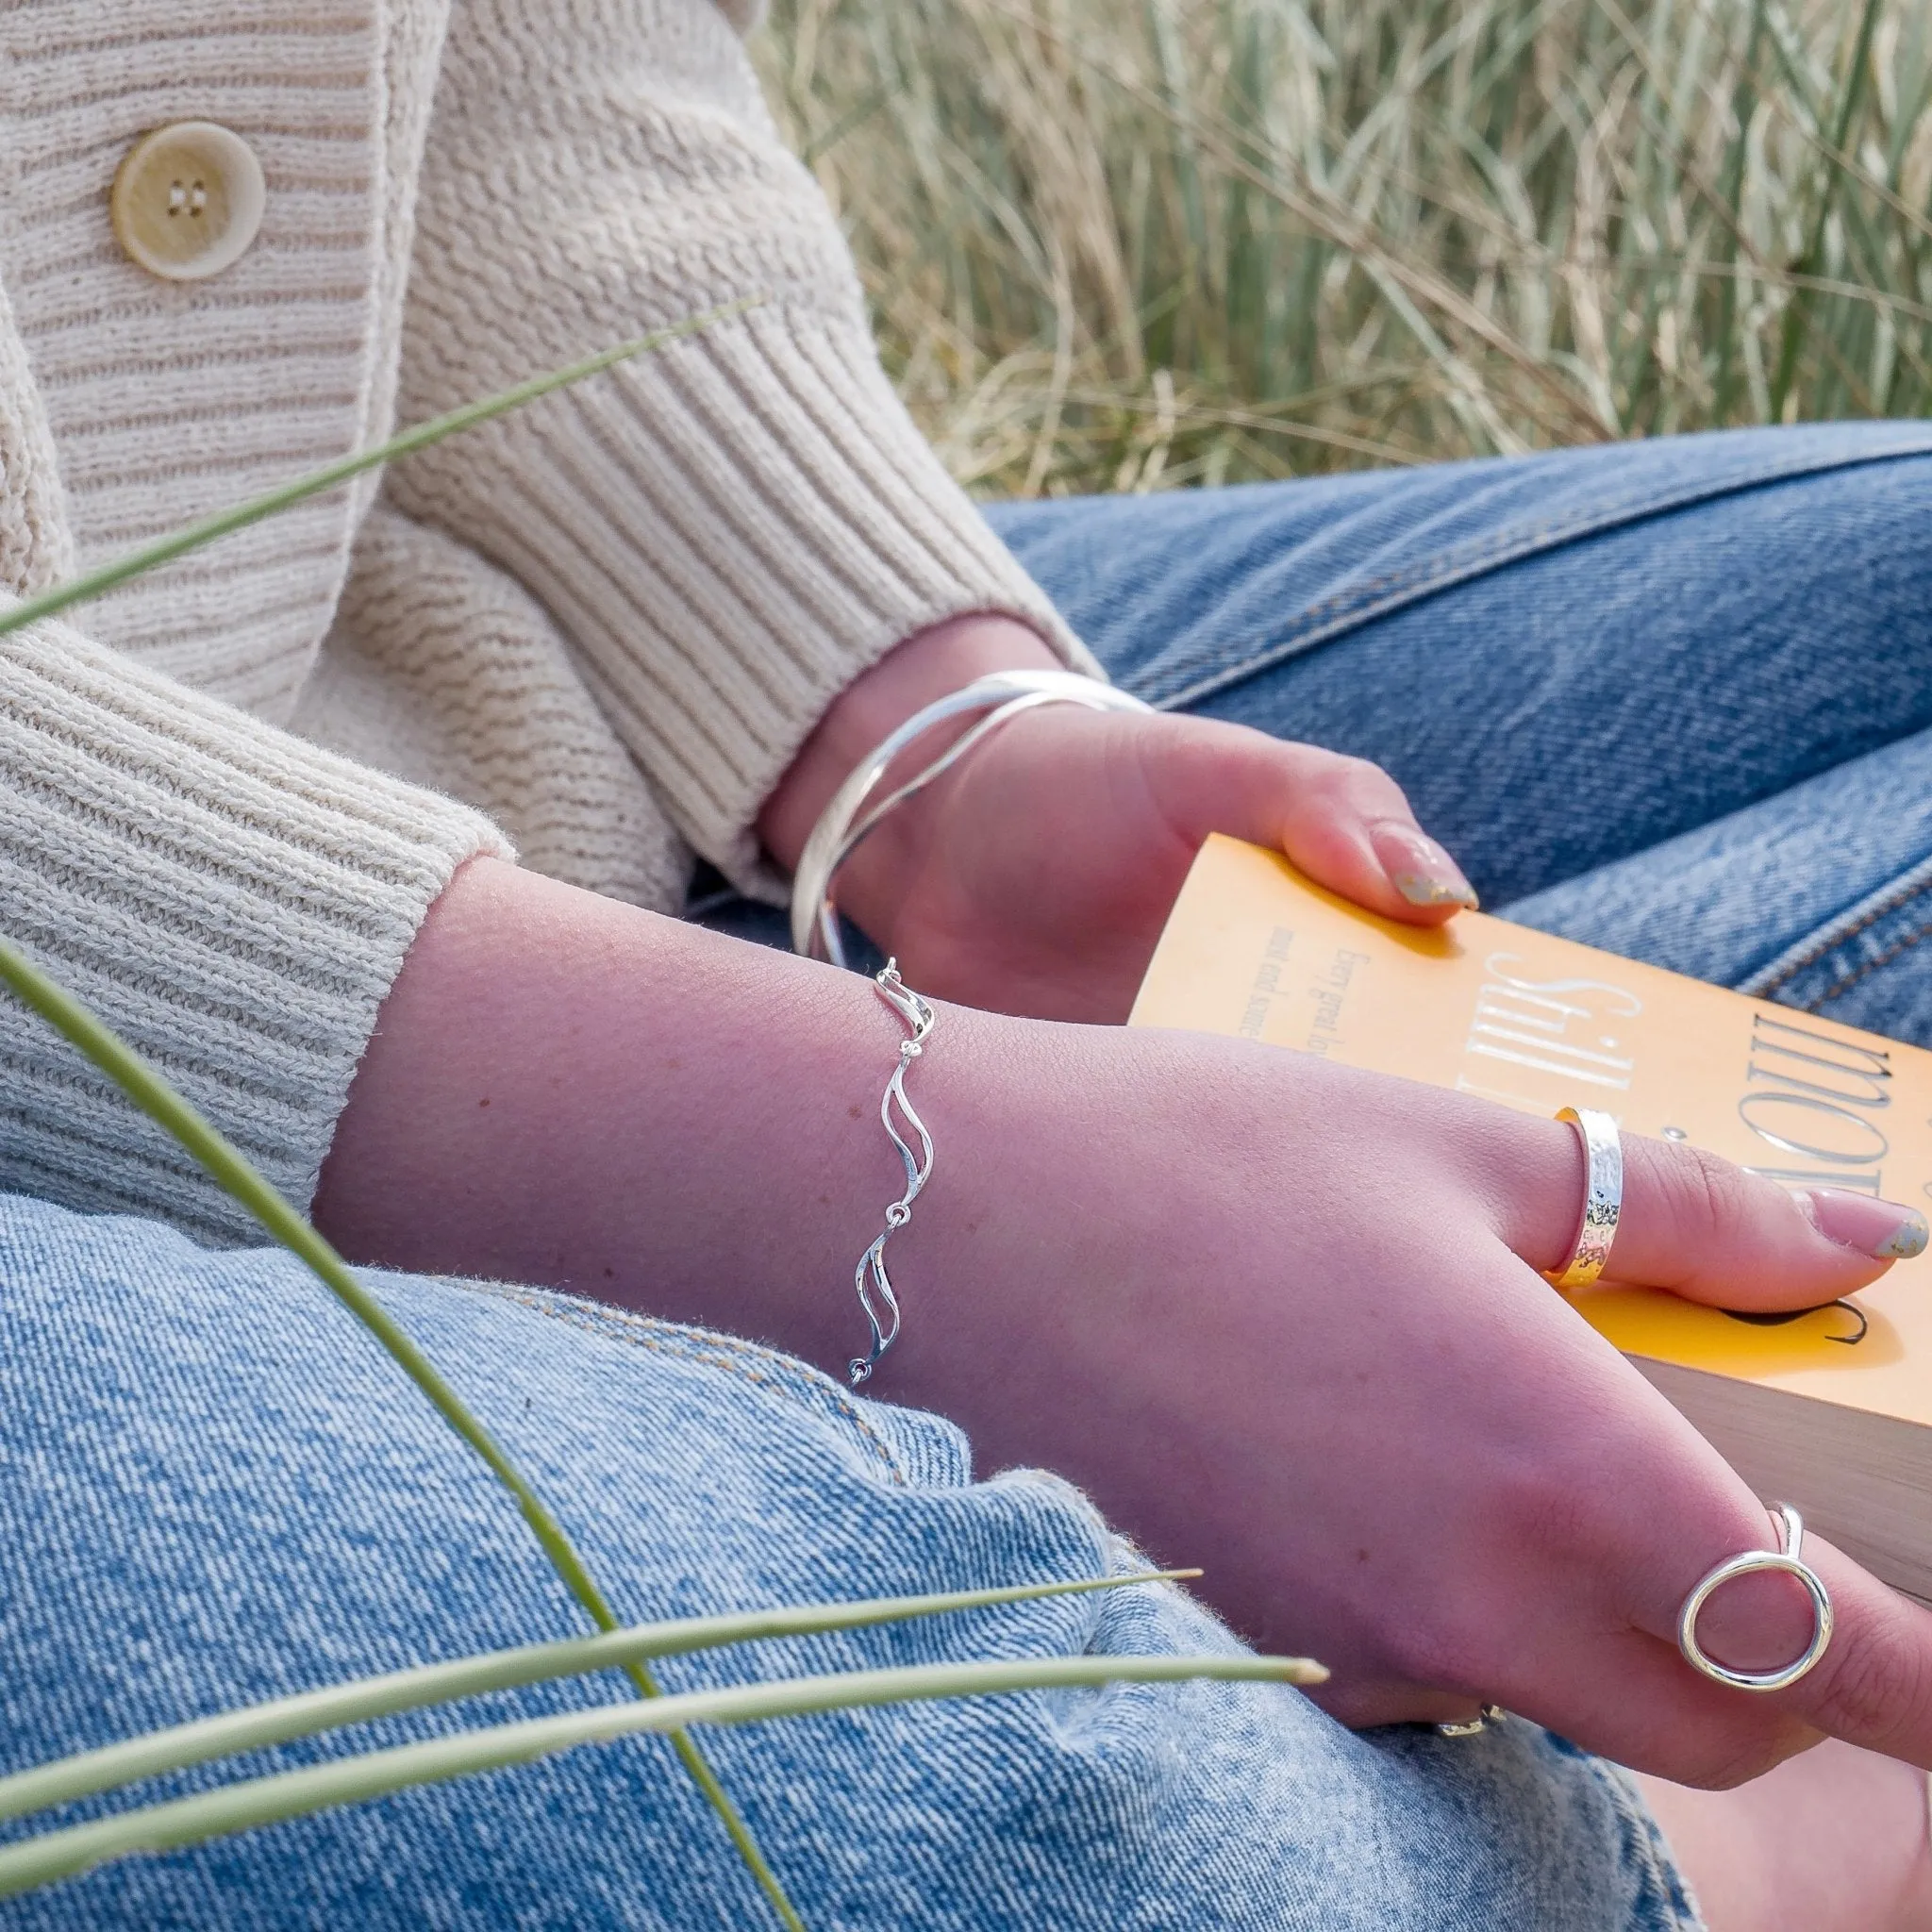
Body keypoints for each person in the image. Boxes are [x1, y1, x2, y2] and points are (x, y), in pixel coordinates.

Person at [2, 1, 1932, 1925]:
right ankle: (1688, 1847)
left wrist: (912, 732)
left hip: (484, 712)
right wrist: (875, 1188)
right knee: (1021, 1801)